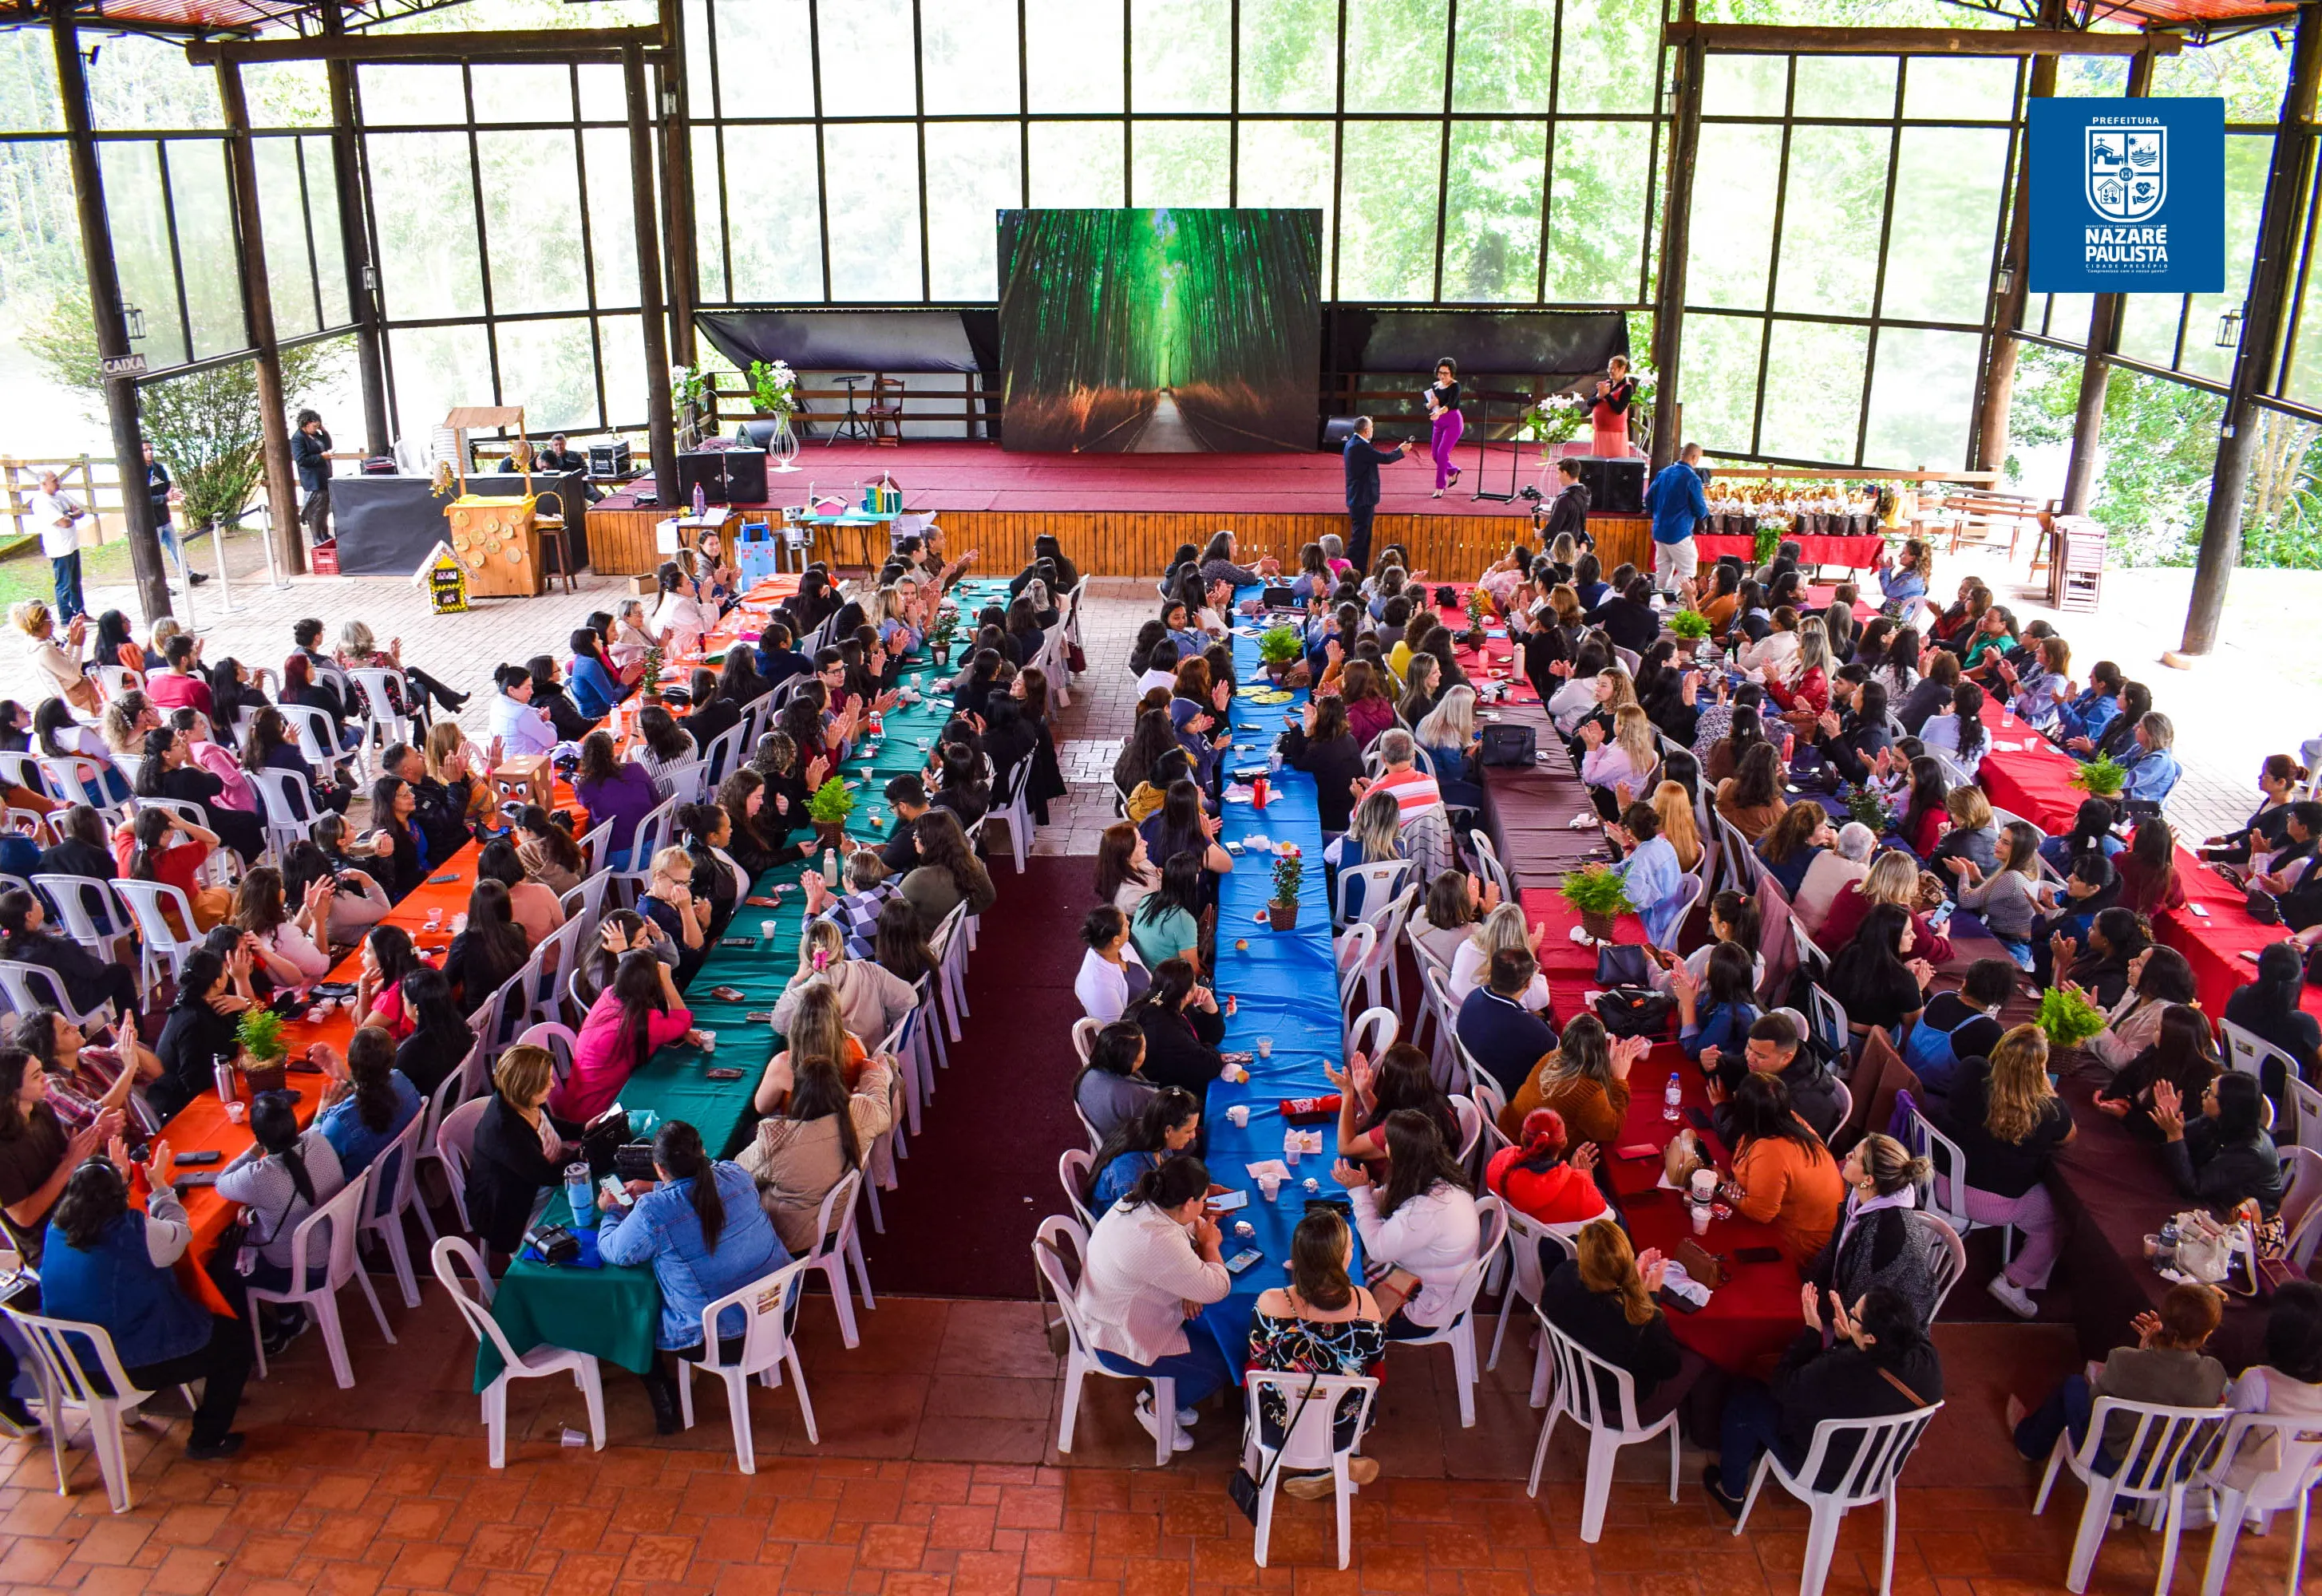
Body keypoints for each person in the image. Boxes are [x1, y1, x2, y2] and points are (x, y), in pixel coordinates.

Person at [39, 1153, 250, 1458]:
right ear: (118, 1197)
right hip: (123, 1366)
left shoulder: (55, 1229)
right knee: (234, 1343)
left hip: (70, 1362)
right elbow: (180, 1232)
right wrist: (161, 1188)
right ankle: (206, 1439)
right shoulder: (135, 1233)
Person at [597, 1119, 786, 1434]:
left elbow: (615, 1252)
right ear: (703, 1151)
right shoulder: (736, 1174)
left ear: (659, 1168)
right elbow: (696, 1194)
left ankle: (662, 1394)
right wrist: (656, 1190)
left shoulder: (653, 1213)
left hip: (720, 1338)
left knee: (637, 1312)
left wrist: (613, 1211)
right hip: (778, 1310)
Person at [1705, 1286, 1942, 1519]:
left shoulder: (1841, 1368)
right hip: (1880, 1469)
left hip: (1825, 1472)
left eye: (1853, 1316)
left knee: (1746, 1399)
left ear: (1871, 1338)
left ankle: (1731, 1491)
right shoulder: (1927, 1358)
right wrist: (1849, 1341)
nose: (1848, 1314)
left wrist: (1812, 1332)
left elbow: (1783, 1387)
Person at [1076, 1153, 1235, 1446]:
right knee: (1217, 1367)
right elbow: (1217, 1288)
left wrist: (1189, 1284)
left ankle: (1169, 1396)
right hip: (1114, 1338)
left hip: (1103, 1308)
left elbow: (1185, 1234)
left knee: (1204, 1332)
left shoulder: (1137, 1200)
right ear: (1187, 1203)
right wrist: (1210, 1245)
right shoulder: (1159, 1241)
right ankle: (1155, 1407)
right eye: (1201, 1200)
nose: (1203, 1209)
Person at [1245, 1207, 1389, 1496]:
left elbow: (1257, 1357)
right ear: (1343, 1259)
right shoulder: (1366, 1305)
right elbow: (1376, 1361)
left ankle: (1326, 1465)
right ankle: (1338, 1462)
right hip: (1343, 1426)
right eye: (1350, 1246)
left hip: (1277, 1424)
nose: (1352, 1250)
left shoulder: (1271, 1303)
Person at [2009, 1282, 2228, 1471]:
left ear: (2163, 1318)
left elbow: (2095, 1404)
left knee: (2074, 1385)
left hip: (2112, 1462)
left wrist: (2144, 1354)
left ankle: (2028, 1446)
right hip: (2168, 1470)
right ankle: (2122, 1508)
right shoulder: (2215, 1373)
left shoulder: (2124, 1359)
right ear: (2208, 1333)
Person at [1541, 1215, 1715, 1436]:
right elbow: (1670, 1368)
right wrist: (1651, 1295)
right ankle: (1705, 1431)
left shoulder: (1563, 1274)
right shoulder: (1640, 1323)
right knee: (1703, 1354)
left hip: (1572, 1380)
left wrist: (1632, 1276)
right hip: (1621, 1408)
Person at [217, 1089, 346, 1349]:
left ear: (260, 1136)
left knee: (221, 1273)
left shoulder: (259, 1176)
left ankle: (269, 1336)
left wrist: (255, 1148)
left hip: (298, 1272)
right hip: (337, 1251)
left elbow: (222, 1183)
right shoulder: (318, 1140)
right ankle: (289, 1317)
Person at [1337, 1111, 1481, 1340]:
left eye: (1386, 1143)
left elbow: (1377, 1249)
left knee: (1337, 1311)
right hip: (1436, 1276)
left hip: (1427, 1304)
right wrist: (1367, 1192)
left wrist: (1359, 1193)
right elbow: (1395, 1200)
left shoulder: (1428, 1209)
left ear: (1396, 1153)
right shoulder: (1435, 1173)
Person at [1804, 1132, 1946, 1329]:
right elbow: (1834, 1246)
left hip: (1882, 1326)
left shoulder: (1887, 1237)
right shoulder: (1859, 1190)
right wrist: (1807, 1284)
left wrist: (1811, 1306)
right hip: (1848, 1297)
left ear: (1869, 1179)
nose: (1847, 1156)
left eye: (1854, 1157)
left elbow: (1857, 1304)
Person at [0, 1043, 121, 1262]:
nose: (46, 1078)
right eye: (37, 1076)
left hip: (80, 1209)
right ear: (12, 1089)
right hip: (51, 1240)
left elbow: (70, 1162)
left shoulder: (42, 1110)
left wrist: (95, 1134)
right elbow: (25, 1217)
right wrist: (70, 1164)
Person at [554, 949, 698, 1124]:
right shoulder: (642, 1021)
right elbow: (684, 1019)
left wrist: (678, 1028)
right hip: (596, 1111)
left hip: (578, 1095)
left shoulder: (610, 993)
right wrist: (667, 982)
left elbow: (678, 1025)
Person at [465, 1044, 579, 1258]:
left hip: (544, 1185)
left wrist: (585, 1129)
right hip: (517, 1210)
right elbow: (548, 1175)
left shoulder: (524, 1099)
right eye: (546, 1083)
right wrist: (585, 1155)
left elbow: (550, 1125)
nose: (553, 1085)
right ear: (526, 1087)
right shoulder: (505, 1132)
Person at [1724, 1073, 1845, 1262]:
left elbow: (1760, 1212)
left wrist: (1721, 1185)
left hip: (1800, 1244)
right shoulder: (1784, 1120)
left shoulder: (1771, 1149)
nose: (1733, 1095)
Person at [2154, 1071, 2286, 1215]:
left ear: (2227, 1105)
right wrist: (2171, 1119)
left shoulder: (2250, 1152)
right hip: (2215, 1198)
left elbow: (2194, 1187)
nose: (2203, 1093)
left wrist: (2174, 1134)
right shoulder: (2219, 1119)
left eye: (2210, 1093)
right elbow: (2180, 1144)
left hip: (2237, 1218)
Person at [0, 887, 138, 1022]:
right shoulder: (56, 945)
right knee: (120, 971)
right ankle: (135, 1031)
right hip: (69, 1007)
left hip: (32, 1011)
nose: (40, 904)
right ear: (28, 916)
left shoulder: (5, 953)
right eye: (36, 902)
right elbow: (92, 971)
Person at [774, 919, 916, 1048]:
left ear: (807, 955)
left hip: (830, 1067)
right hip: (873, 1059)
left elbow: (779, 1024)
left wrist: (797, 980)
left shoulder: (807, 991)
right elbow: (910, 999)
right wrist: (883, 1019)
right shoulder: (871, 971)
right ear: (841, 949)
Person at [310, 1025, 422, 1183]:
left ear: (349, 1060)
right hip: (404, 1178)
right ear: (392, 1058)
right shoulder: (401, 1081)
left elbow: (313, 1162)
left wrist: (320, 1116)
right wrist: (347, 1079)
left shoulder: (338, 1123)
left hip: (363, 1204)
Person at [1485, 1108, 1610, 1241]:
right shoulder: (1580, 1188)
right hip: (1553, 1257)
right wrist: (1587, 1180)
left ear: (1522, 1136)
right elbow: (1615, 1228)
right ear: (1564, 1142)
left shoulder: (1498, 1160)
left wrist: (1577, 1176)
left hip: (1508, 1242)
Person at [1458, 946, 1561, 1104]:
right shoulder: (1527, 1026)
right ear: (1528, 983)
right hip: (1513, 1099)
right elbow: (1560, 1055)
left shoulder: (1473, 997)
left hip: (1482, 1076)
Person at [2223, 943, 2321, 1106]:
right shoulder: (2302, 1024)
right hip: (2281, 1099)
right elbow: (2317, 1061)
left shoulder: (2239, 997)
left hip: (2237, 1081)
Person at [1125, 958, 1225, 1100]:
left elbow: (1213, 1035)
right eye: (1194, 984)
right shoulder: (1166, 1028)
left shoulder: (1162, 1000)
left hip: (1163, 1075)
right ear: (1188, 994)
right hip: (1169, 1098)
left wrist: (1210, 1005)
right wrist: (1204, 1046)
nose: (1197, 987)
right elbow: (1212, 1066)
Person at [899, 808, 996, 936]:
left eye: (917, 834)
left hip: (919, 938)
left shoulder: (918, 879)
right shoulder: (972, 862)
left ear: (930, 842)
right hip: (940, 931)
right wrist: (957, 915)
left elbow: (889, 912)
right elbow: (989, 897)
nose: (914, 837)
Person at [572, 731, 662, 871]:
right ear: (612, 751)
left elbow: (583, 802)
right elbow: (656, 798)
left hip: (619, 856)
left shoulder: (585, 786)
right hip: (656, 841)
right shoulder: (636, 769)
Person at [1609, 800, 1691, 948]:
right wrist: (1607, 870)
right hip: (1668, 914)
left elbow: (1629, 901)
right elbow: (1628, 866)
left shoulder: (1643, 860)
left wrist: (1607, 883)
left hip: (1654, 926)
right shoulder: (1662, 843)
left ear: (1629, 832)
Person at [1339, 417, 1408, 572]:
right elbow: (1385, 458)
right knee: (1358, 542)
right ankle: (1344, 573)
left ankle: (1358, 574)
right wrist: (1401, 451)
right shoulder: (1360, 447)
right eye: (1372, 428)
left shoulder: (1353, 443)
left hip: (1362, 499)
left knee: (1364, 542)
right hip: (1362, 500)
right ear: (1367, 431)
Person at [1074, 1019, 1157, 1144]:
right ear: (1131, 1060)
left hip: (1106, 1134)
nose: (1146, 1050)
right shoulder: (1139, 1096)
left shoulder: (1087, 1074)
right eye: (1143, 1049)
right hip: (1127, 1146)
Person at [1794, 820, 1876, 940]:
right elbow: (1863, 872)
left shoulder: (1823, 854)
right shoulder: (1861, 873)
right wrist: (1868, 854)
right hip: (1813, 935)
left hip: (1795, 919)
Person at [28, 469, 91, 621]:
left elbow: (80, 511)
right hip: (59, 547)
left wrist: (70, 515)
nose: (58, 483)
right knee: (64, 584)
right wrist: (70, 516)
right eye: (54, 481)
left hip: (72, 545)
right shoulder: (42, 501)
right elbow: (63, 523)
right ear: (44, 483)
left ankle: (80, 612)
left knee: (76, 582)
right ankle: (66, 616)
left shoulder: (60, 495)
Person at [1643, 443, 1707, 592]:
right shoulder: (1692, 479)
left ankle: (1656, 601)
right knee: (1689, 570)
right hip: (1679, 532)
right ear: (1694, 458)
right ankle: (1666, 597)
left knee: (1663, 571)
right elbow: (1700, 509)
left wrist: (1658, 514)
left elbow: (1648, 499)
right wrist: (1704, 514)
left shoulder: (1664, 473)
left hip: (1659, 530)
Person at [291, 409, 332, 541]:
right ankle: (316, 537)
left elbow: (328, 445)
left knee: (324, 509)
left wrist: (323, 430)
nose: (316, 429)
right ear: (306, 424)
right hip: (312, 479)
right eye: (314, 426)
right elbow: (301, 460)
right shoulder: (298, 438)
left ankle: (324, 534)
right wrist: (321, 457)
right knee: (315, 510)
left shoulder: (316, 436)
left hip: (323, 476)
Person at [1589, 354, 1638, 457]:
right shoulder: (1606, 384)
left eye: (1613, 369)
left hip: (1616, 433)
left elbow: (1619, 409)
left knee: (1615, 462)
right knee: (1598, 462)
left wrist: (1607, 395)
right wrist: (1599, 396)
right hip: (1600, 431)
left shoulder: (1627, 387)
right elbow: (1590, 403)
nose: (1610, 371)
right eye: (1609, 369)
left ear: (1623, 368)